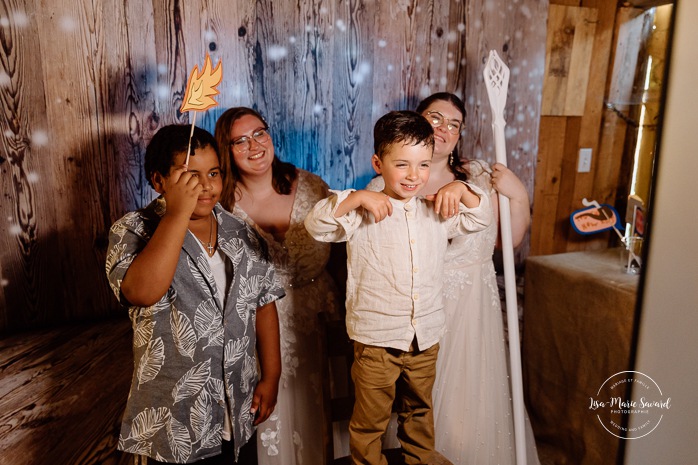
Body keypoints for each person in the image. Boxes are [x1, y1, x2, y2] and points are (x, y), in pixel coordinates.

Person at [305, 110, 492, 464]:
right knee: (370, 420)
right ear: (378, 162)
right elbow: (317, 225)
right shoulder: (362, 210)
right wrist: (357, 198)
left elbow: (481, 218)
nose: (413, 175)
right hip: (376, 338)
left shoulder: (436, 208)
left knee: (420, 411)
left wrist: (462, 188)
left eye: (423, 165)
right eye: (402, 164)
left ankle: (420, 460)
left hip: (426, 334)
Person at [366, 92, 538, 464]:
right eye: (435, 117)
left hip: (476, 305)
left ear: (460, 134)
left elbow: (508, 240)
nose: (443, 128)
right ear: (417, 120)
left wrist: (518, 195)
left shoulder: (478, 176)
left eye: (453, 124)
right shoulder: (390, 183)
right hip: (425, 309)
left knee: (474, 399)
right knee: (423, 403)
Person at [106, 124, 284, 464]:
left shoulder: (241, 231)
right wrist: (176, 214)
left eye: (213, 173)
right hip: (174, 419)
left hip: (238, 402)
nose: (205, 185)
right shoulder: (132, 230)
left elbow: (263, 304)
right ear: (159, 181)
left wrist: (271, 375)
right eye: (190, 176)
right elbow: (142, 292)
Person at [214, 107, 341, 464]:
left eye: (259, 133)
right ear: (226, 150)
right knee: (272, 412)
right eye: (240, 141)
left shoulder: (312, 185)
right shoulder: (221, 206)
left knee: (322, 410)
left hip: (319, 315)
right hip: (258, 326)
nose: (254, 145)